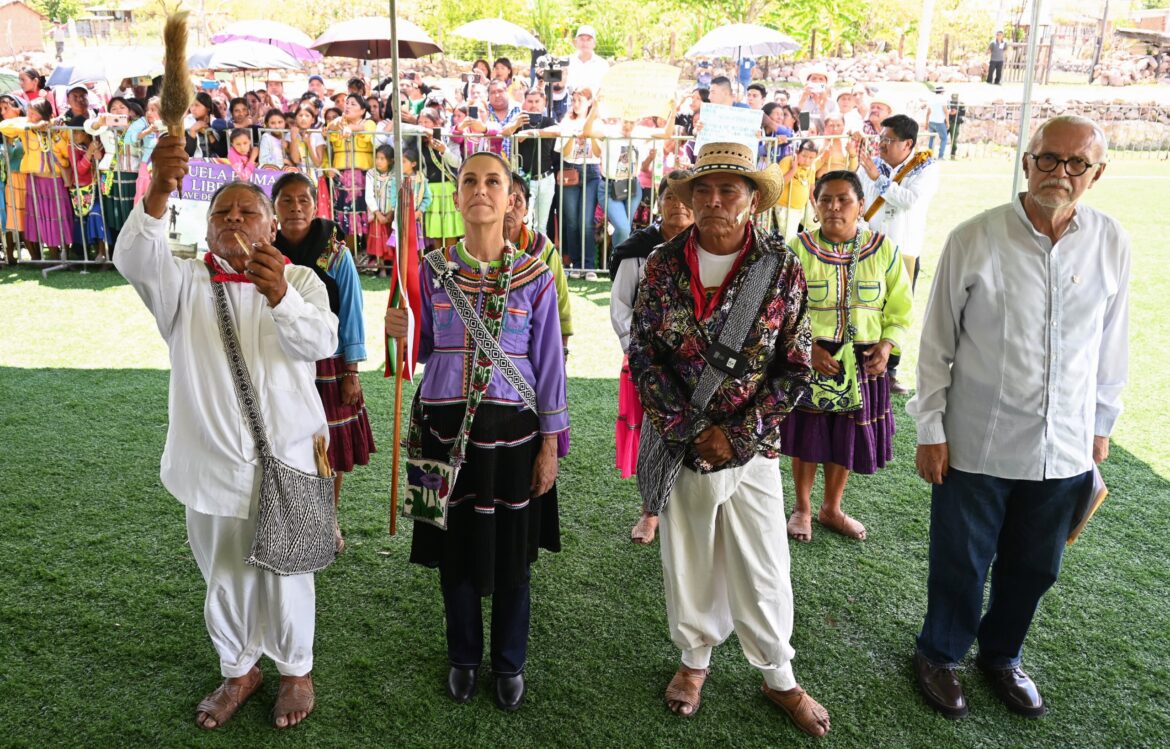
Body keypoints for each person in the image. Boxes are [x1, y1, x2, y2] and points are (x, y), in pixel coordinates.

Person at [907, 115, 1128, 720]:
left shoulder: (1111, 241)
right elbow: (936, 345)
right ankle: (941, 653)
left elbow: (1112, 345)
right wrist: (931, 430)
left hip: (1064, 447)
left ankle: (1001, 655)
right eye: (1048, 159)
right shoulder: (974, 238)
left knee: (1036, 565)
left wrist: (1101, 424)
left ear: (1096, 173)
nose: (1060, 172)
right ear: (1026, 162)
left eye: (1076, 163)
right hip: (978, 438)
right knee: (962, 557)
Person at [114, 135, 338, 731]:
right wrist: (160, 188)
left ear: (271, 227)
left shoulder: (305, 282)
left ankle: (295, 669)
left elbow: (320, 343)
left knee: (290, 574)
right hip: (211, 464)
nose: (234, 220)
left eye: (247, 212)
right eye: (222, 213)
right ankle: (240, 669)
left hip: (288, 460)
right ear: (207, 227)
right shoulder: (183, 283)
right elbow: (135, 256)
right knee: (226, 572)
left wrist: (281, 294)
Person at [626, 142, 829, 737]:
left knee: (763, 561)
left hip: (751, 449)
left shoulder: (781, 267)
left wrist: (737, 435)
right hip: (686, 444)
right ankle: (694, 662)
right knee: (689, 558)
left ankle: (779, 676)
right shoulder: (662, 265)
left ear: (752, 200)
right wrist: (690, 430)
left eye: (729, 190)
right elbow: (642, 354)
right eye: (703, 191)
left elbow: (795, 367)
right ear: (688, 198)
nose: (714, 202)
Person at [384, 151, 568, 712]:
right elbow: (416, 358)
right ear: (457, 196)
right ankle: (464, 657)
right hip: (442, 434)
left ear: (512, 196)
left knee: (514, 558)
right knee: (454, 554)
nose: (481, 190)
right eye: (470, 181)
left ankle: (510, 662)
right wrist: (397, 331)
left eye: (493, 181)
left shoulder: (536, 275)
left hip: (515, 436)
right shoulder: (430, 267)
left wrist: (551, 446)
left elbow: (551, 365)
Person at [780, 171, 912, 542]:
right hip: (813, 356)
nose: (834, 207)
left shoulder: (883, 249)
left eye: (844, 200)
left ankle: (831, 509)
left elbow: (900, 307)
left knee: (844, 437)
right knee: (808, 435)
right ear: (815, 205)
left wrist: (887, 345)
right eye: (825, 200)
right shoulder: (798, 249)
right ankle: (802, 508)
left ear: (860, 205)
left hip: (866, 359)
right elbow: (782, 311)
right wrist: (807, 349)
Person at [272, 172, 374, 550]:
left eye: (303, 201)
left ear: (316, 206)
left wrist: (351, 370)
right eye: (287, 200)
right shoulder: (264, 248)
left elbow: (352, 310)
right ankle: (287, 519)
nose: (296, 208)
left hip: (327, 362)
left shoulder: (334, 252)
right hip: (279, 360)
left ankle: (327, 522)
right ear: (275, 207)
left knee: (326, 446)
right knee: (282, 441)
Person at [610, 171, 693, 481]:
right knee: (649, 431)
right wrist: (639, 352)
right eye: (669, 196)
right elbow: (621, 306)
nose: (678, 205)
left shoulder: (707, 247)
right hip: (647, 359)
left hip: (694, 362)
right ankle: (649, 510)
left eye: (685, 198)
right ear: (658, 202)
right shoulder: (638, 249)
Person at [854, 114, 940, 393]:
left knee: (897, 307)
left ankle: (889, 369)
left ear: (908, 144)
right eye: (880, 138)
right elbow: (858, 200)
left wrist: (879, 180)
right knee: (866, 302)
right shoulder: (870, 166)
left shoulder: (925, 169)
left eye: (888, 140)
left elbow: (909, 201)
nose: (881, 145)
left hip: (904, 247)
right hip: (869, 245)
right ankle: (861, 360)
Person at [504, 170, 572, 345]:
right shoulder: (478, 247)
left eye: (517, 200)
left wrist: (562, 345)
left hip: (538, 338)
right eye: (504, 200)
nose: (509, 207)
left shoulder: (542, 247)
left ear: (527, 209)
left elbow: (560, 298)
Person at [553, 87, 601, 275]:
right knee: (572, 221)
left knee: (586, 220)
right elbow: (563, 152)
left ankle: (588, 266)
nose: (575, 104)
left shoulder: (598, 123)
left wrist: (590, 135)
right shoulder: (566, 121)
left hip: (591, 171)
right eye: (573, 100)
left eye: (580, 100)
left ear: (590, 102)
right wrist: (574, 137)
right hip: (571, 171)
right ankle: (575, 263)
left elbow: (598, 152)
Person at [325, 94, 376, 251]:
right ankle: (348, 252)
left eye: (353, 104)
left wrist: (351, 128)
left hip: (363, 176)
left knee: (364, 213)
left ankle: (368, 252)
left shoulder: (369, 123)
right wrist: (340, 125)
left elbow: (369, 130)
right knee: (343, 214)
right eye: (347, 103)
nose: (347, 106)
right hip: (341, 176)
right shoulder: (338, 123)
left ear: (362, 110)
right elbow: (328, 128)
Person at [513, 88, 558, 235]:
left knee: (542, 226)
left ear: (544, 102)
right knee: (526, 223)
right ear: (524, 103)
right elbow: (508, 139)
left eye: (537, 101)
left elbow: (559, 131)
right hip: (525, 179)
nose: (533, 105)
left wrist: (532, 133)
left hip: (546, 178)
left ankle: (541, 257)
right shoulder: (518, 123)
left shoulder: (548, 121)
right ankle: (525, 256)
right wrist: (518, 132)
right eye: (530, 101)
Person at [566, 25, 608, 94]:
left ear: (594, 44)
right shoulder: (567, 62)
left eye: (588, 40)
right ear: (576, 42)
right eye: (582, 39)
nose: (585, 43)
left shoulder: (602, 65)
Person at [925, 86, 950, 158]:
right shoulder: (943, 99)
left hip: (931, 122)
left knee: (932, 138)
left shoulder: (931, 99)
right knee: (944, 138)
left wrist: (926, 123)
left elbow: (928, 112)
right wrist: (947, 123)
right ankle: (940, 156)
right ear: (942, 92)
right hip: (939, 122)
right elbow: (946, 112)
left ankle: (929, 156)